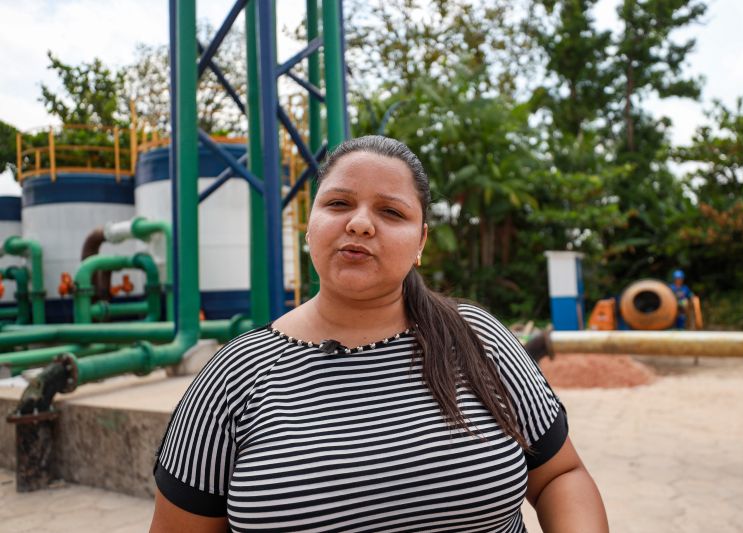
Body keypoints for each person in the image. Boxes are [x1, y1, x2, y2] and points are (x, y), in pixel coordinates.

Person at [149, 136, 608, 532]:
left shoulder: (479, 339)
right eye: (338, 204)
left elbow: (559, 475)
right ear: (309, 227)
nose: (360, 223)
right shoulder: (234, 376)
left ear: (421, 242)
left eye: (390, 211)